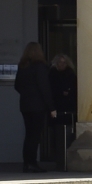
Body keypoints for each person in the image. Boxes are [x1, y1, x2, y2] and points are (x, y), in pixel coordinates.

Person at [14, 43, 56, 172]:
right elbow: (45, 88)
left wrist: (27, 94)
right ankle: (32, 162)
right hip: (38, 105)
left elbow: (17, 85)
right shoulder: (40, 67)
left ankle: (27, 162)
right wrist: (52, 107)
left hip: (25, 105)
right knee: (35, 135)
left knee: (29, 134)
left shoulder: (23, 67)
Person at [50, 53, 79, 158]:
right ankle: (57, 157)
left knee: (69, 133)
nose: (62, 65)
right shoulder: (52, 75)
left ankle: (67, 158)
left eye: (64, 62)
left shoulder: (71, 74)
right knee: (56, 133)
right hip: (57, 107)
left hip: (69, 108)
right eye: (60, 62)